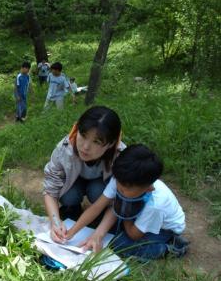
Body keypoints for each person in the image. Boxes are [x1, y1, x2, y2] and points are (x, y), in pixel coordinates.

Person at [65, 144, 189, 260]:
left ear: (148, 188)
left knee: (119, 243)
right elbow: (98, 206)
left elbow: (133, 234)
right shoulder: (122, 180)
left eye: (124, 190)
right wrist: (71, 233)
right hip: (134, 214)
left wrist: (124, 212)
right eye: (119, 183)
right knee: (104, 227)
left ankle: (168, 248)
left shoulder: (155, 206)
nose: (119, 188)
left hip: (163, 228)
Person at [43, 106, 123, 243]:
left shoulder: (121, 157)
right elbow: (50, 190)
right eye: (83, 136)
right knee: (69, 196)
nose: (85, 146)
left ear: (110, 144)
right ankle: (71, 210)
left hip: (100, 186)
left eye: (96, 141)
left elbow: (120, 200)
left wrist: (99, 233)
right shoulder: (64, 150)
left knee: (98, 191)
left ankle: (100, 216)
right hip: (74, 183)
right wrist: (55, 222)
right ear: (76, 129)